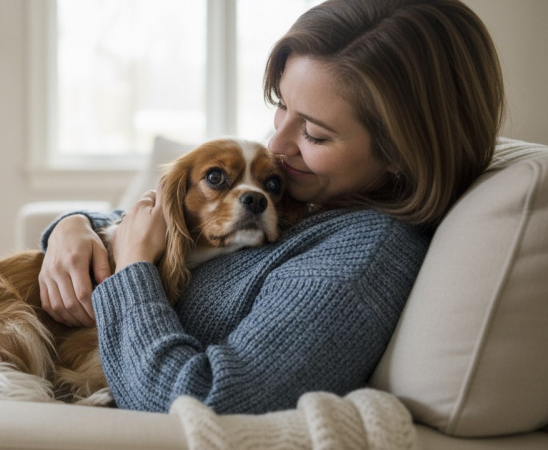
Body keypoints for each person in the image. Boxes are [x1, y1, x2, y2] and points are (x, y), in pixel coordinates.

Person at [37, 0, 504, 414]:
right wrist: (73, 226)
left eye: (315, 134)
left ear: (403, 153)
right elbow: (170, 224)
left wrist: (131, 266)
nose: (277, 144)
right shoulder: (308, 197)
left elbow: (209, 401)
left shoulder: (363, 255)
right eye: (280, 106)